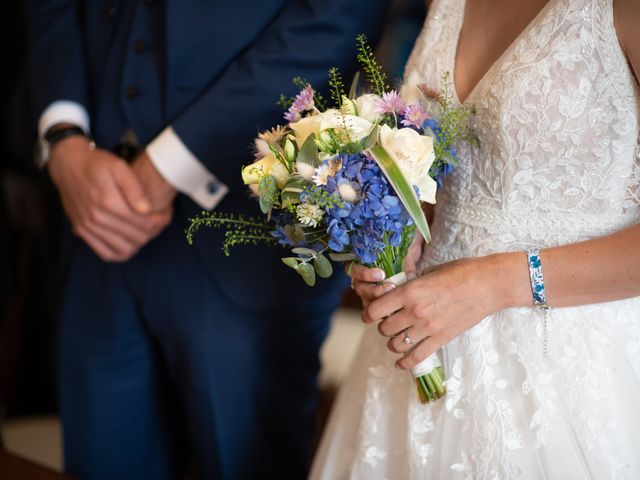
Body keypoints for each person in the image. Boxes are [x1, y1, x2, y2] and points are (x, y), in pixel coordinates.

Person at [23, 1, 389, 478]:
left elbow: (336, 15)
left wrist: (167, 165)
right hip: (93, 218)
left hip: (248, 242)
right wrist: (63, 139)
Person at [311, 0, 640, 478]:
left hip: (565, 364)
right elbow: (446, 169)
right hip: (418, 339)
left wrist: (497, 283)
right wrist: (400, 232)